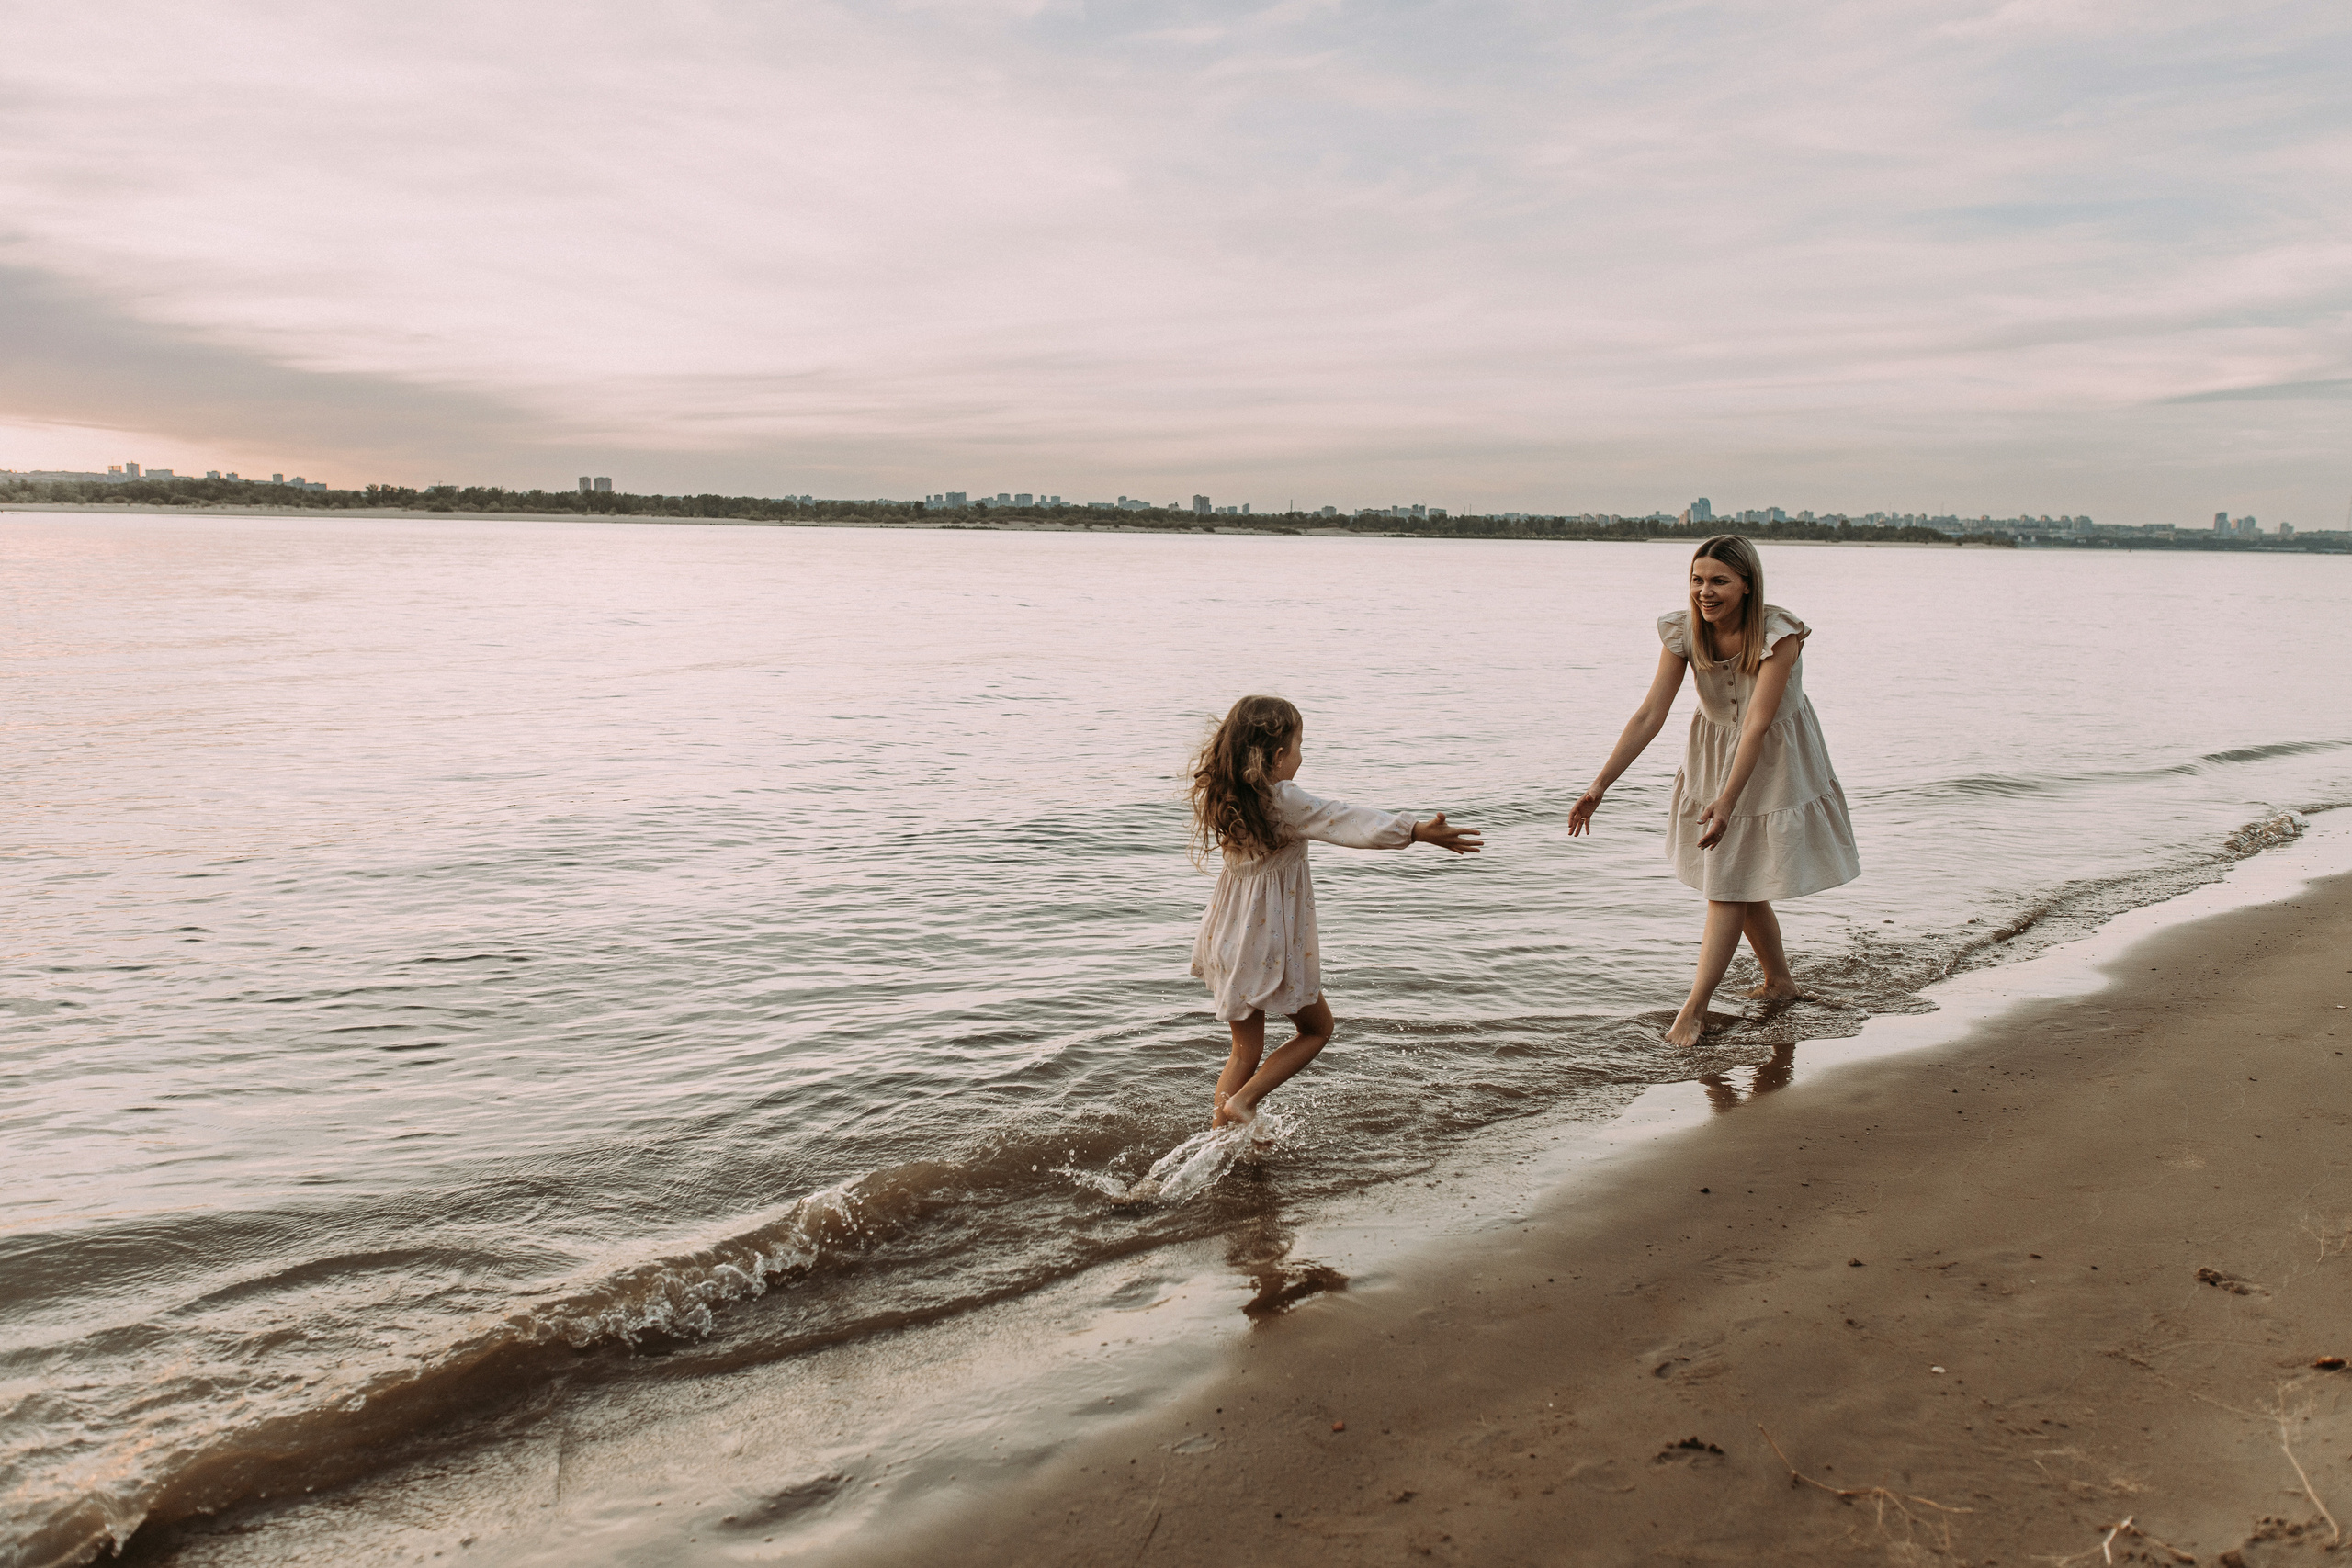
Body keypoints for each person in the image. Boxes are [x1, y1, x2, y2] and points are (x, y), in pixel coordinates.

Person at [1567, 536, 1859, 1047]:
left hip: (1772, 756)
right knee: (1739, 878)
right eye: (1698, 580)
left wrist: (1727, 800)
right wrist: (1600, 784)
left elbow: (1757, 724)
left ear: (1747, 585)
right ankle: (1780, 982)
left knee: (1725, 882)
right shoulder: (1684, 632)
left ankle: (1693, 1010)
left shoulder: (1778, 633)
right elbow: (1649, 715)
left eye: (1720, 581)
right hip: (1712, 751)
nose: (1706, 592)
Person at [1188, 695, 1480, 1129]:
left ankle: (1220, 1138)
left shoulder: (1228, 797)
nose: (1302, 757)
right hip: (1266, 944)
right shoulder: (1281, 799)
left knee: (1243, 1052)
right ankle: (1244, 1103)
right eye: (1300, 746)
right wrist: (1415, 830)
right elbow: (1342, 819)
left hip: (1226, 939)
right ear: (1278, 753)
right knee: (1317, 1030)